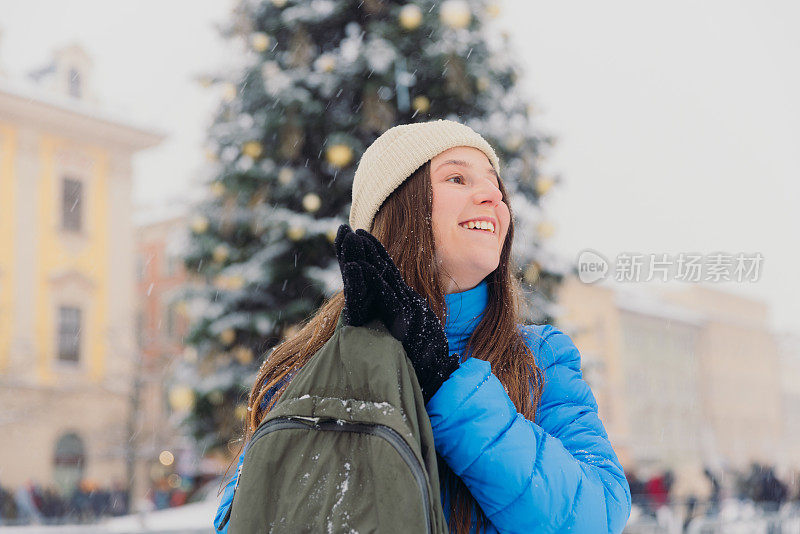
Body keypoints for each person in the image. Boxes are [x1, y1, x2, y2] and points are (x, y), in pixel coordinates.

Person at [214, 119, 631, 533]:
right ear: (397, 208)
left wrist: (447, 384)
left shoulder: (541, 358)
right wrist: (353, 376)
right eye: (456, 177)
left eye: (495, 184)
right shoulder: (309, 367)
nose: (493, 195)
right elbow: (245, 519)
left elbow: (598, 516)